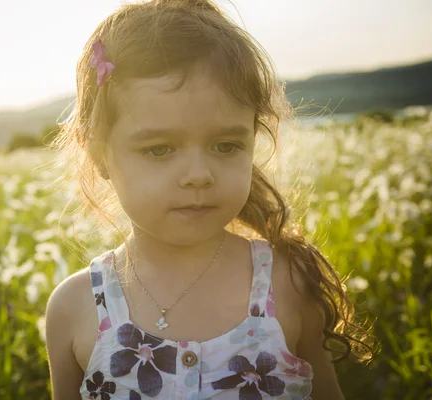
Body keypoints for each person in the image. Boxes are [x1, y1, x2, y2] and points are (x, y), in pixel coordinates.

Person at [45, 0, 373, 398]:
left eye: (225, 145)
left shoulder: (285, 282)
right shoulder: (75, 308)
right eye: (160, 149)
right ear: (99, 156)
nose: (199, 175)